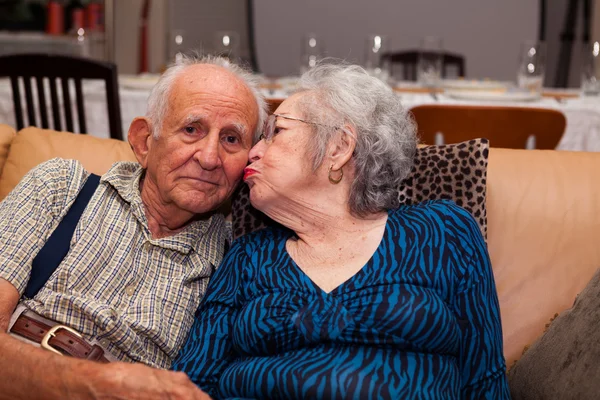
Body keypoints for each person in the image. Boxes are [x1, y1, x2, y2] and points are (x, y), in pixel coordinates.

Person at [173, 62, 511, 399]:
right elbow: (186, 387)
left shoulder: (442, 232)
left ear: (339, 147)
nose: (253, 151)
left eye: (277, 132)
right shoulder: (248, 257)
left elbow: (485, 382)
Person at [0, 54, 267, 399]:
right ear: (144, 141)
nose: (210, 158)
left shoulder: (234, 264)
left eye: (231, 139)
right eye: (191, 130)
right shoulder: (61, 188)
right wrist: (95, 383)